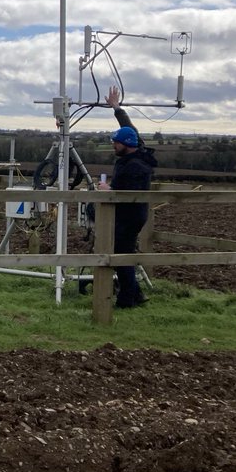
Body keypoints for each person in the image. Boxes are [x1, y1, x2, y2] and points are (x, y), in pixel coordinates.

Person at [97, 87, 159, 308]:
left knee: (121, 257)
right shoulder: (137, 150)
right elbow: (129, 129)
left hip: (129, 215)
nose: (114, 145)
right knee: (122, 254)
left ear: (126, 145)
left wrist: (108, 191)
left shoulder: (136, 166)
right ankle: (135, 295)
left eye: (116, 142)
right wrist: (117, 108)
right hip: (127, 215)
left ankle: (126, 301)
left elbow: (129, 195)